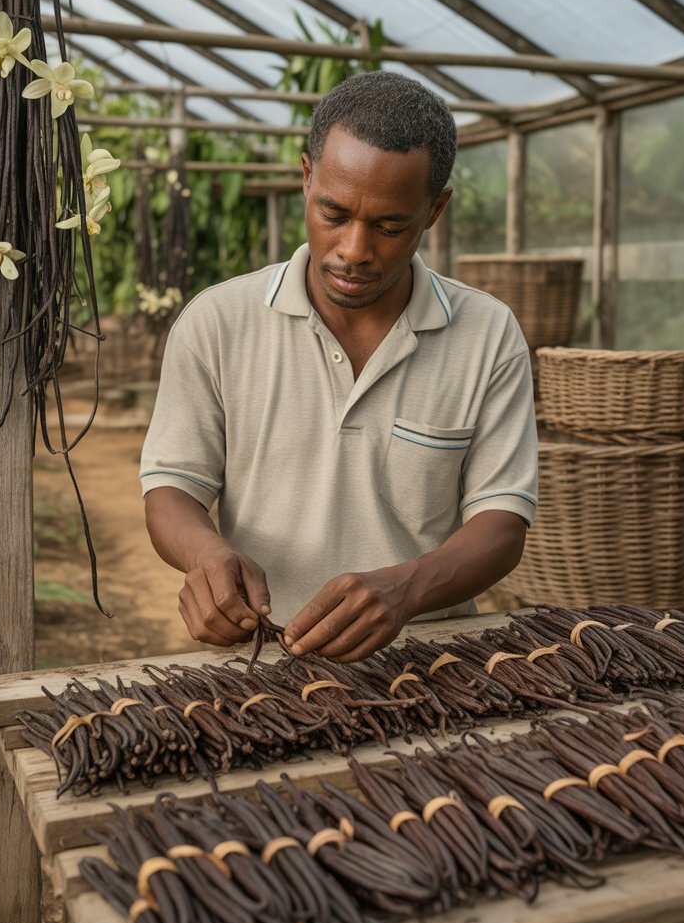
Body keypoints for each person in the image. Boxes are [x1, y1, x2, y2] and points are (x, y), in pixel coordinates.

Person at [141, 70, 537, 663]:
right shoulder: (217, 322)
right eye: (334, 213)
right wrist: (205, 554)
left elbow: (503, 520)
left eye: (389, 225)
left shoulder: (487, 334)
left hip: (433, 662)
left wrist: (407, 590)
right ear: (306, 178)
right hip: (262, 656)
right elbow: (171, 487)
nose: (354, 249)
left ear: (435, 209)